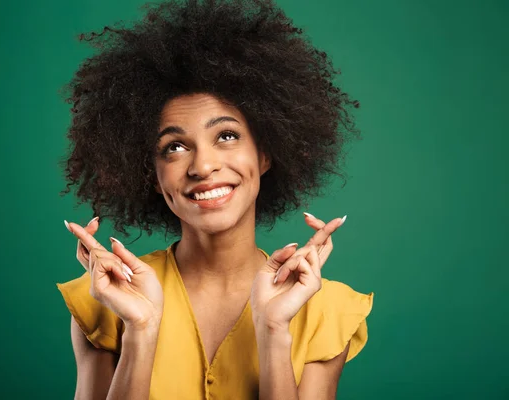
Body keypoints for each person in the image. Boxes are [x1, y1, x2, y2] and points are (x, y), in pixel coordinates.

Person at [56, 0, 374, 399]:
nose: (203, 166)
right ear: (152, 176)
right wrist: (140, 330)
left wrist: (274, 330)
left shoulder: (325, 308)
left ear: (265, 153)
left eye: (226, 136)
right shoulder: (106, 299)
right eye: (174, 147)